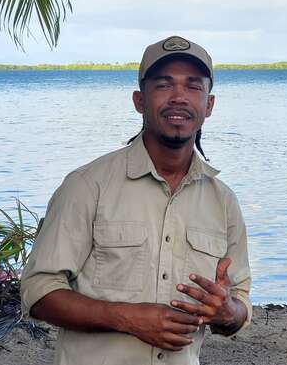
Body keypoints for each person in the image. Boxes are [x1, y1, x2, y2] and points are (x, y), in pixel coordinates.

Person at [20, 35, 252, 365]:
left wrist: (227, 310)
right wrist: (125, 318)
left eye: (193, 86)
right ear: (139, 100)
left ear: (209, 105)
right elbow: (38, 291)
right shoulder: (87, 186)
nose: (178, 97)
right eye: (163, 84)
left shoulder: (224, 202)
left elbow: (240, 304)